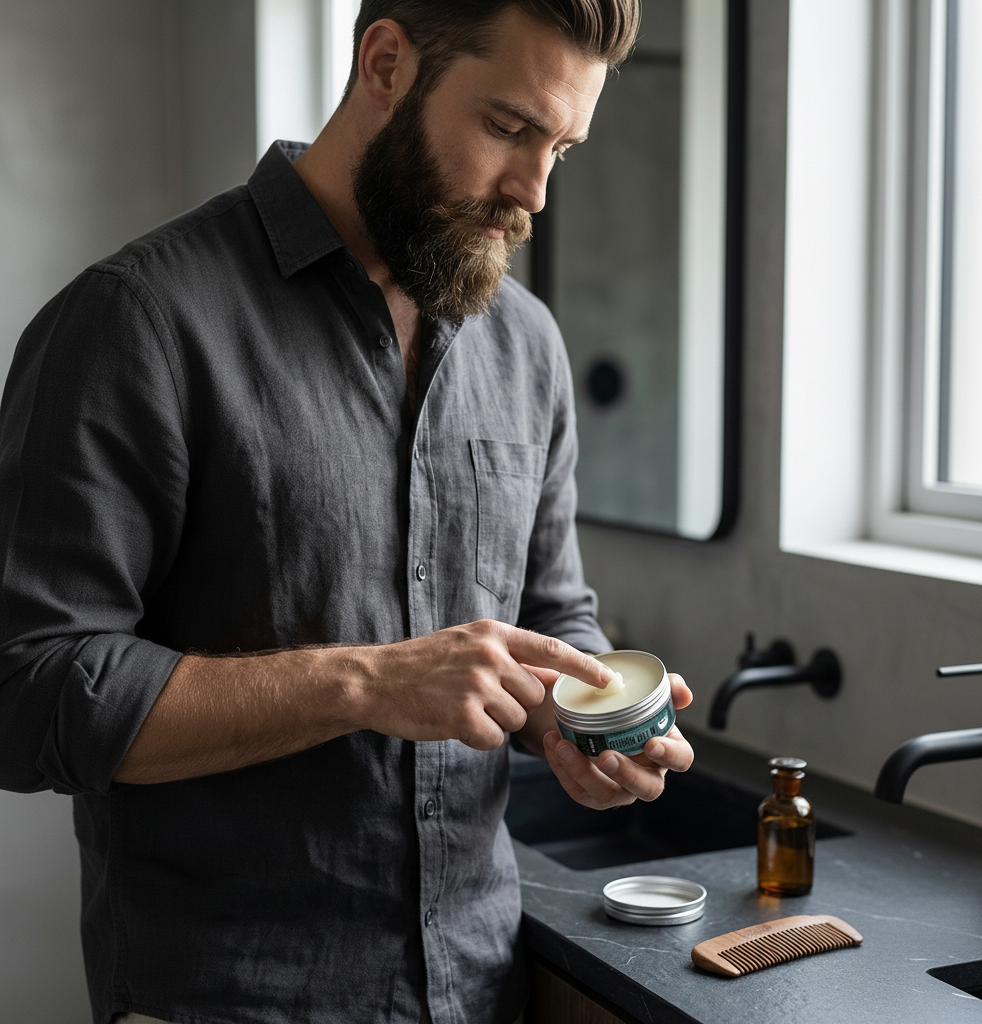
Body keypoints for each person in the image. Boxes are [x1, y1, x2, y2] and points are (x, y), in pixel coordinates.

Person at [0, 1, 694, 1022]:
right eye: (506, 128)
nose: (533, 192)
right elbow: (26, 692)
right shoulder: (135, 323)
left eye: (563, 147)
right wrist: (364, 680)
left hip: (477, 988)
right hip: (225, 999)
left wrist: (583, 724)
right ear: (384, 61)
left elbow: (552, 610)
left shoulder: (528, 347)